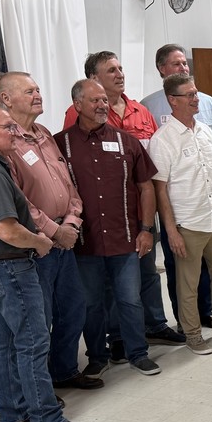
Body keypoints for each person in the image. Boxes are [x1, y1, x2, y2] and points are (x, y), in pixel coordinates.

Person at [0, 102, 95, 422]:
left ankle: (13, 411)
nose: (14, 133)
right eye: (7, 127)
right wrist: (41, 242)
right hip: (8, 267)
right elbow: (7, 230)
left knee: (4, 340)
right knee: (32, 341)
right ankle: (47, 419)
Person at [0, 72, 100, 391]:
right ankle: (38, 388)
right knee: (38, 322)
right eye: (29, 91)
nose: (37, 95)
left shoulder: (43, 133)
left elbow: (69, 185)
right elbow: (18, 200)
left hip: (64, 241)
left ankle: (64, 371)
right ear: (6, 99)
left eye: (38, 89)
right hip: (36, 246)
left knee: (74, 309)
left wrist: (71, 223)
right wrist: (55, 230)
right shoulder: (5, 141)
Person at [56, 80, 162, 377]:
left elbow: (146, 187)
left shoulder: (126, 141)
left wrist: (146, 229)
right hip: (84, 243)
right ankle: (97, 356)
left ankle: (137, 353)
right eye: (95, 101)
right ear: (77, 105)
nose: (103, 105)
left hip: (125, 238)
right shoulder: (59, 144)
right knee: (91, 304)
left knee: (130, 299)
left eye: (104, 100)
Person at [149, 74, 212, 354]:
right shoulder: (162, 140)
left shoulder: (205, 130)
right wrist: (171, 231)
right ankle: (192, 334)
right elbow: (160, 190)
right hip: (188, 223)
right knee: (188, 284)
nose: (196, 99)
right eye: (190, 95)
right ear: (173, 100)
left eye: (196, 93)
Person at [141, 43, 212, 329]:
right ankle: (190, 328)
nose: (197, 99)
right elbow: (159, 184)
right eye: (177, 64)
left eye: (185, 63)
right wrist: (169, 228)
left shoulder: (206, 119)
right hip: (185, 215)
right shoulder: (156, 124)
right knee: (184, 276)